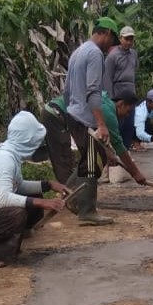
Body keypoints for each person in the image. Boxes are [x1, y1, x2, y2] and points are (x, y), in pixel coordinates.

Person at [0, 111, 68, 269]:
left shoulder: (10, 154)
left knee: (32, 197)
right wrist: (42, 202)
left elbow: (18, 185)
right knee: (17, 213)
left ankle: (12, 238)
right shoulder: (4, 159)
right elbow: (4, 199)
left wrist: (48, 185)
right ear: (28, 139)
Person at [43, 90, 146, 218]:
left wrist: (109, 154)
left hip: (66, 115)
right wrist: (136, 173)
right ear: (121, 104)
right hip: (56, 114)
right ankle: (76, 202)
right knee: (74, 160)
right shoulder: (108, 113)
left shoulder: (106, 105)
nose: (126, 116)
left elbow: (99, 139)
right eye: (128, 111)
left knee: (93, 156)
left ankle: (71, 197)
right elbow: (120, 147)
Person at [63, 16, 121, 225]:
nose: (111, 46)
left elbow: (67, 89)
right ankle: (87, 210)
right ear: (105, 33)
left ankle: (70, 196)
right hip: (84, 116)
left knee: (88, 159)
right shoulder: (95, 54)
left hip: (73, 114)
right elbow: (93, 91)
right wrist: (101, 124)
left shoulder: (78, 52)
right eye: (112, 40)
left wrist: (71, 110)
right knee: (91, 162)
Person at [102, 25, 139, 149]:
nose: (129, 42)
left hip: (130, 94)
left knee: (129, 125)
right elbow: (107, 77)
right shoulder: (113, 56)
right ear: (120, 38)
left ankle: (126, 149)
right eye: (126, 39)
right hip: (118, 95)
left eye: (131, 39)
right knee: (118, 126)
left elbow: (134, 72)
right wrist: (110, 98)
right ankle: (116, 151)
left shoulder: (133, 54)